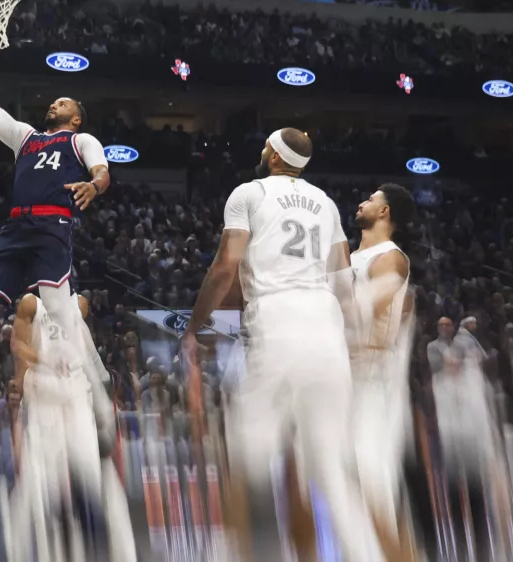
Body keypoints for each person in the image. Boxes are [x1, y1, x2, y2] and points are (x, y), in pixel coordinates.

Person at [181, 128, 381, 561]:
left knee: (243, 457)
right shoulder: (325, 202)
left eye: (264, 144)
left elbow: (225, 266)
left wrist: (196, 326)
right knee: (330, 470)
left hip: (277, 318)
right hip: (326, 325)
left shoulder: (248, 193)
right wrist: (355, 341)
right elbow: (342, 279)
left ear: (273, 154)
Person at [0, 11, 110, 417]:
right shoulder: (26, 137)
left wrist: (93, 185)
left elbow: (102, 171)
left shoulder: (81, 139)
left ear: (76, 116)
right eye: (54, 100)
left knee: (63, 320)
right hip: (17, 226)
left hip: (53, 226)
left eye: (63, 102)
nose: (54, 102)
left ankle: (97, 387)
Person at [8, 290, 136, 562]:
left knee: (95, 478)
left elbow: (88, 352)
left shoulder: (79, 304)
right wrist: (39, 366)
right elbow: (18, 345)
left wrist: (103, 404)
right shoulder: (32, 304)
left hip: (76, 393)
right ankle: (31, 552)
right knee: (41, 487)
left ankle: (118, 551)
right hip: (44, 393)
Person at [349, 185, 419, 560]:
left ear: (384, 212)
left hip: (371, 382)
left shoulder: (390, 258)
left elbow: (379, 324)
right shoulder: (351, 256)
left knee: (372, 487)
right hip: (346, 381)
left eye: (371, 199)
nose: (362, 202)